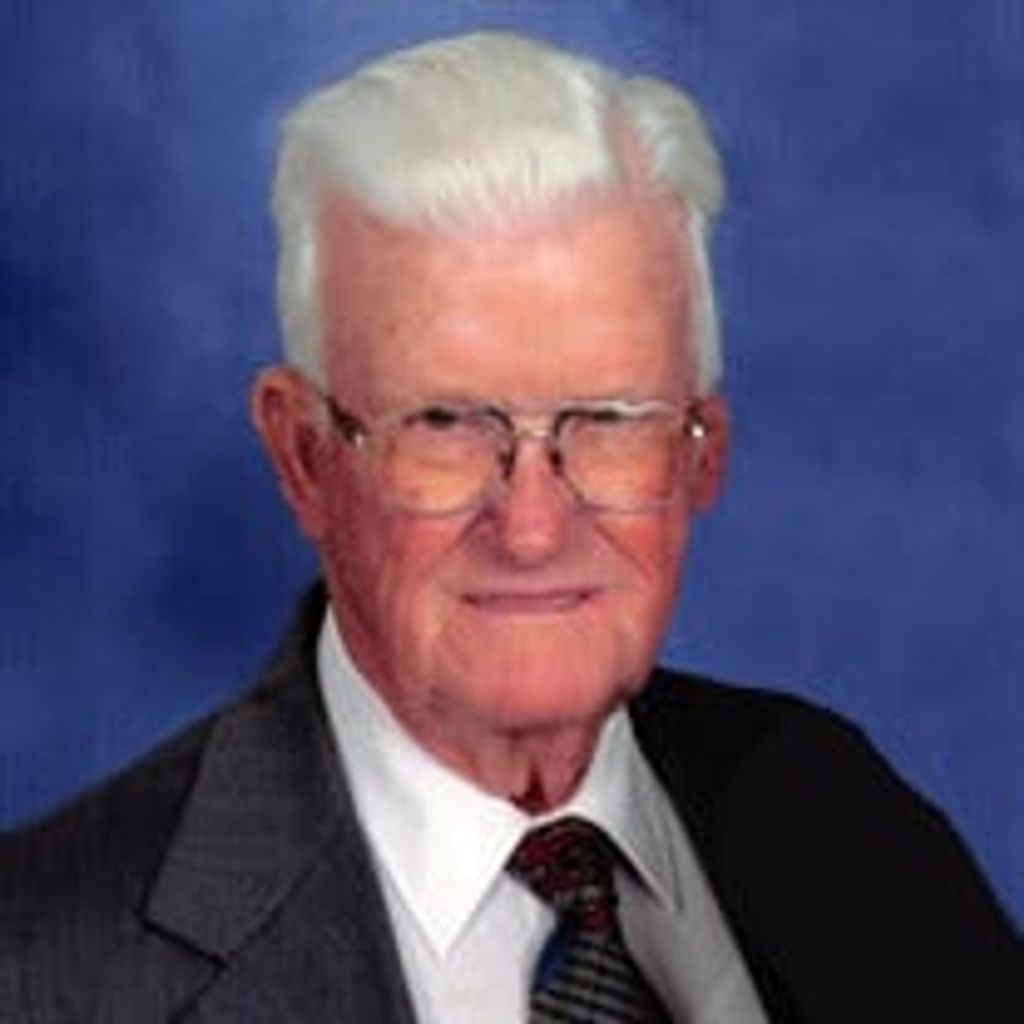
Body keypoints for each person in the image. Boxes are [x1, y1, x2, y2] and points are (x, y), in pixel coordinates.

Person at [1, 30, 1020, 1024]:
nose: (531, 527)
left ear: (698, 451)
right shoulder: (44, 968)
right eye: (443, 423)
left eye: (609, 419)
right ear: (303, 456)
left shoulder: (838, 817)